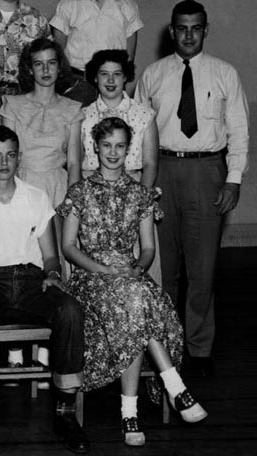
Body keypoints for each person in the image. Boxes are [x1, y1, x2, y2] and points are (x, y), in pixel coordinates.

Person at [58, 117, 208, 446]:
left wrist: (138, 268)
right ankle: (173, 387)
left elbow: (149, 248)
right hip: (91, 276)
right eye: (107, 145)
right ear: (95, 147)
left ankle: (131, 413)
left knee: (136, 300)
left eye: (120, 145)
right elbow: (69, 248)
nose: (113, 152)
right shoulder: (80, 191)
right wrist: (102, 269)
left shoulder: (140, 194)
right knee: (139, 302)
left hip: (130, 274)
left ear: (130, 149)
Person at [0, 126, 89, 455]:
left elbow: (51, 254)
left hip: (31, 280)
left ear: (18, 158)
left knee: (70, 310)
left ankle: (65, 412)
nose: (4, 162)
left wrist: (53, 273)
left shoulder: (36, 197)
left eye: (11, 155)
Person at [134, 0, 249, 377]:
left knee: (202, 268)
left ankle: (199, 349)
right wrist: (139, 185)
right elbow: (136, 133)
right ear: (171, 31)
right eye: (181, 28)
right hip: (161, 170)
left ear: (205, 30)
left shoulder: (224, 73)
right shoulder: (152, 74)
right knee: (164, 268)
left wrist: (233, 179)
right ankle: (165, 346)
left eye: (195, 28)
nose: (187, 35)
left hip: (206, 171)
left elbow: (240, 132)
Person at [79, 49, 161, 285]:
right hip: (93, 201)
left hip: (133, 193)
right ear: (95, 77)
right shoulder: (82, 116)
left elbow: (150, 163)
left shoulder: (144, 115)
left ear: (126, 77)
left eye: (117, 74)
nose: (111, 80)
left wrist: (137, 203)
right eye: (104, 74)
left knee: (135, 267)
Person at [50, 0, 143, 105]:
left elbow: (129, 59)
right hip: (77, 87)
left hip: (112, 87)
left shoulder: (128, 6)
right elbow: (57, 56)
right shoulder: (68, 5)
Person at [0, 37, 82, 210]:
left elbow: (74, 163)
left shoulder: (72, 109)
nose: (45, 69)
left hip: (58, 189)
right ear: (29, 69)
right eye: (38, 64)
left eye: (51, 63)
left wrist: (71, 200)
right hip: (21, 186)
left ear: (59, 67)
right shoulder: (12, 106)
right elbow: (6, 157)